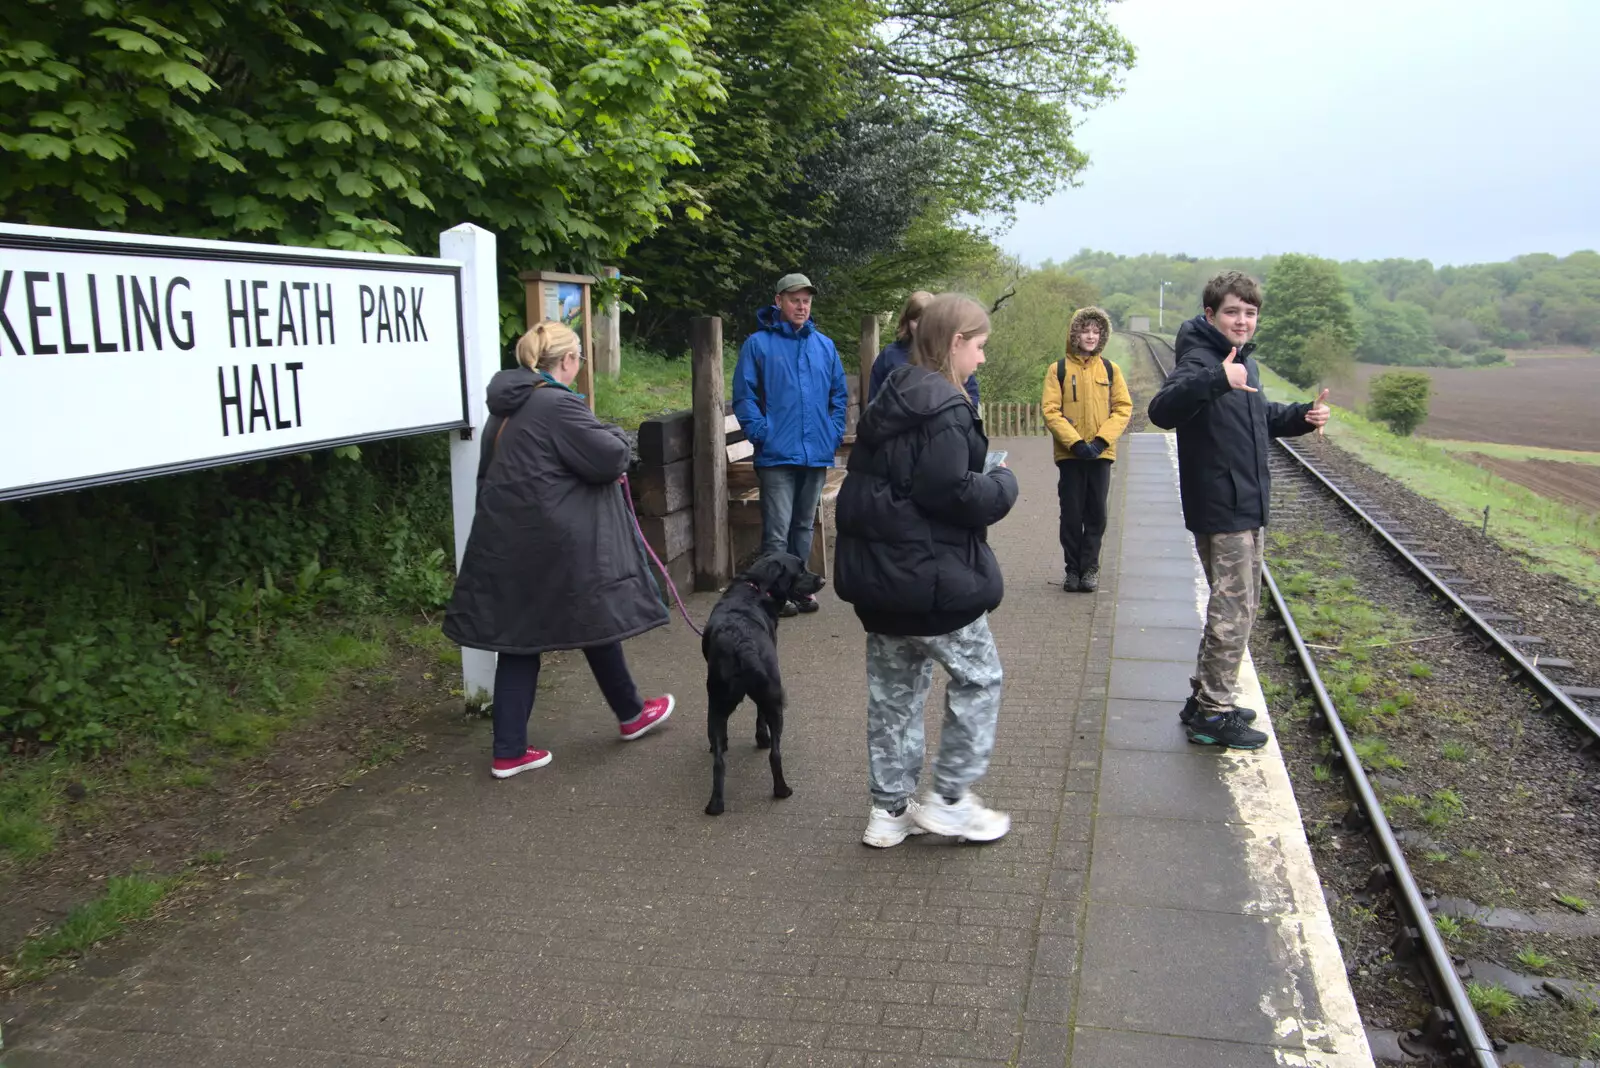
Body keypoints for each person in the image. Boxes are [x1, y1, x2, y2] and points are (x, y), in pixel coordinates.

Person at [444, 321, 675, 778]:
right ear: (567, 361)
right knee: (577, 614)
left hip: (509, 542)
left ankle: (624, 715)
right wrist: (616, 433)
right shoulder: (555, 404)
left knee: (527, 637)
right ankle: (519, 748)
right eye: (579, 359)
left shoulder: (508, 406)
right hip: (551, 544)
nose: (579, 367)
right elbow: (608, 458)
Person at [835, 293, 1020, 847]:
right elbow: (949, 492)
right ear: (956, 342)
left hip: (882, 584)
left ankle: (888, 813)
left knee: (894, 697)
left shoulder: (892, 396)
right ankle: (950, 799)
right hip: (932, 583)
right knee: (980, 679)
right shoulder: (946, 407)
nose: (983, 359)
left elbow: (903, 479)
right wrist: (1002, 484)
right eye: (980, 347)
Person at [1147, 272, 1330, 750]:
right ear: (1211, 315)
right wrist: (1216, 378)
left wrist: (1302, 416)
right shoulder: (1201, 359)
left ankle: (1204, 700)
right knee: (1234, 612)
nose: (1242, 321)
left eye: (1250, 313)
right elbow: (1162, 410)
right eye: (1232, 312)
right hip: (1222, 507)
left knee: (1236, 608)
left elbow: (1260, 418)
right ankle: (1213, 714)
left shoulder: (1242, 362)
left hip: (1245, 503)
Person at [731, 273, 849, 617]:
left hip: (816, 451)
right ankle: (772, 594)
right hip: (776, 453)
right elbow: (744, 395)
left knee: (803, 524)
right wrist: (760, 432)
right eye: (795, 299)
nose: (801, 306)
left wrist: (832, 431)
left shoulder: (824, 345)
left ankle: (800, 590)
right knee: (777, 529)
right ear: (778, 300)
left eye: (806, 300)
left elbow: (838, 394)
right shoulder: (758, 344)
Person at [1041, 306, 1132, 593]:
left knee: (1096, 514)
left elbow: (1122, 409)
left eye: (1096, 331)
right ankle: (1072, 569)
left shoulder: (1110, 369)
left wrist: (1101, 441)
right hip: (1070, 455)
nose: (1091, 336)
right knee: (1071, 513)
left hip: (1101, 455)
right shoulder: (1058, 370)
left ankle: (1090, 568)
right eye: (1085, 330)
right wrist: (1076, 443)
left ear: (1102, 336)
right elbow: (1051, 410)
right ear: (1075, 333)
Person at [867, 290, 980, 406]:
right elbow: (874, 400)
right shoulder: (890, 355)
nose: (922, 327)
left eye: (926, 321)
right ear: (907, 321)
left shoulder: (950, 354)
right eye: (916, 321)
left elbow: (971, 396)